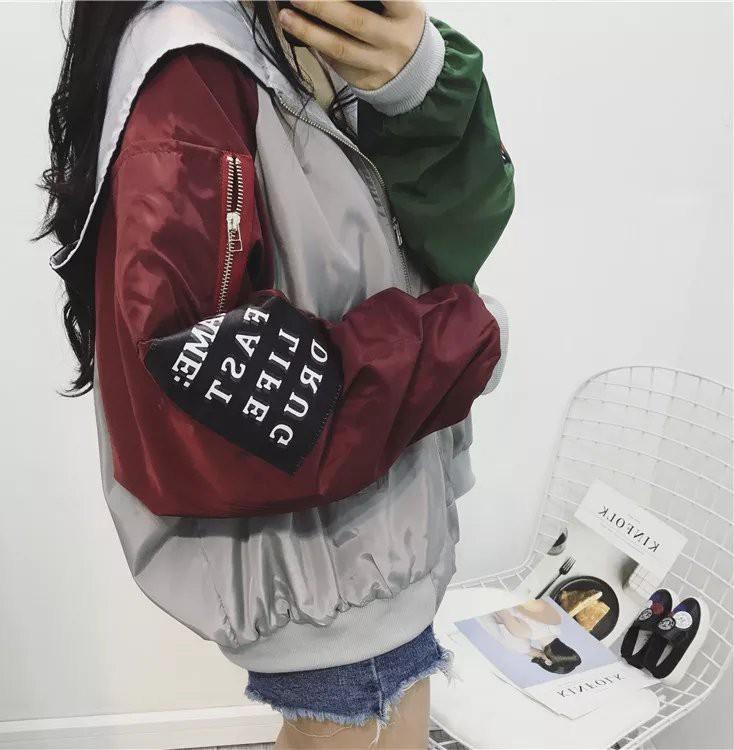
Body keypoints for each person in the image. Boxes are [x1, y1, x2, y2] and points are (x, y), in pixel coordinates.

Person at [38, 1, 515, 747]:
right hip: (329, 564)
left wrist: (421, 85)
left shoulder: (305, 30)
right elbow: (202, 386)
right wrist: (460, 345)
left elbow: (449, 237)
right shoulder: (192, 73)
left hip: (363, 534)